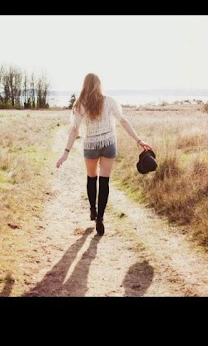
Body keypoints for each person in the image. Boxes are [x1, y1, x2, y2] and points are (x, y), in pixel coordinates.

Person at [56, 73, 152, 236]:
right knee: (104, 181)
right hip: (109, 144)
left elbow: (74, 130)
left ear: (84, 85)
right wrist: (138, 140)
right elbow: (123, 121)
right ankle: (100, 218)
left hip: (90, 146)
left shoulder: (79, 105)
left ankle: (93, 209)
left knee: (91, 178)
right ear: (99, 85)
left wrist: (65, 153)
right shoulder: (109, 101)